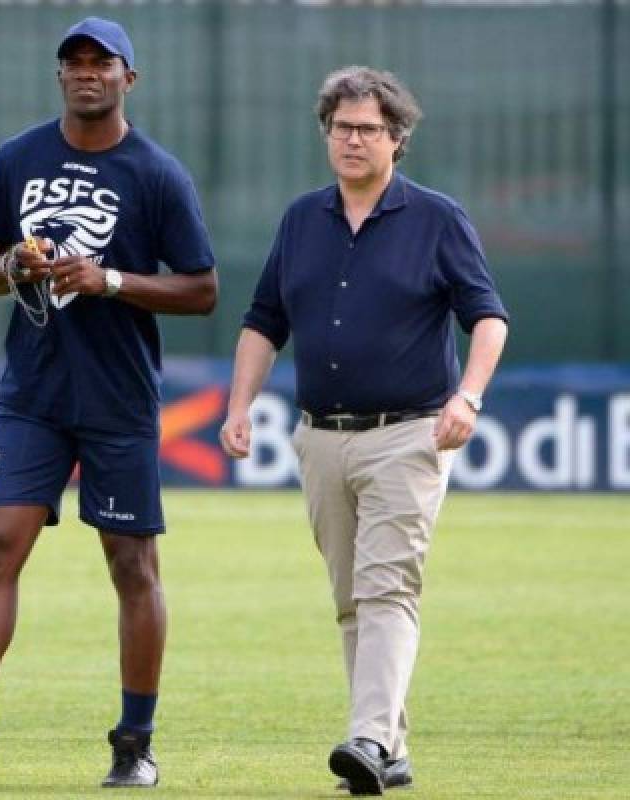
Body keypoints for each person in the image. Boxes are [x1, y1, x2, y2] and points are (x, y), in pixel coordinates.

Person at [0, 17, 217, 790]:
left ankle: (134, 746)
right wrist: (15, 262)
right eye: (74, 61)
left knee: (132, 564)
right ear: (59, 75)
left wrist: (113, 281)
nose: (87, 72)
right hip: (31, 393)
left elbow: (201, 290)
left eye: (104, 62)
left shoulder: (157, 174)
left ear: (130, 78)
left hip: (117, 398)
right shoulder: (16, 159)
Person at [218, 66, 508, 795]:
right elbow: (263, 322)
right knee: (352, 597)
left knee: (387, 589)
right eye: (340, 127)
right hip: (320, 438)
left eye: (367, 128)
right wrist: (238, 405)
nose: (352, 139)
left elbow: (488, 317)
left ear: (397, 138)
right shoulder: (300, 220)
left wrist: (467, 397)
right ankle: (391, 748)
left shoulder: (437, 218)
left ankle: (368, 739)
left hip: (408, 435)